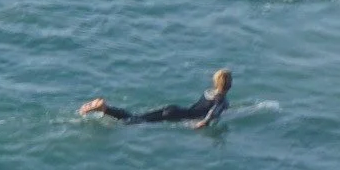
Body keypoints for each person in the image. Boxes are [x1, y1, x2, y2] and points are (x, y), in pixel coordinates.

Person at [78, 68, 231, 129]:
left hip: (175, 109)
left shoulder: (209, 92)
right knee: (133, 122)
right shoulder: (222, 101)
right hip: (176, 116)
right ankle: (105, 108)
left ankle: (106, 109)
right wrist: (200, 125)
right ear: (229, 86)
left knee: (136, 117)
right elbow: (209, 116)